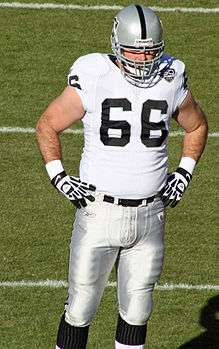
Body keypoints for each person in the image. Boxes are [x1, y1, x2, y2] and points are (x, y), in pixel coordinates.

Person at [36, 4, 208, 349]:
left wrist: (184, 173)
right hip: (98, 211)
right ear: (116, 44)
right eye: (134, 51)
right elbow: (48, 123)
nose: (143, 61)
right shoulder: (93, 72)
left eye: (150, 53)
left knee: (138, 309)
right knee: (80, 307)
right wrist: (59, 175)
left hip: (151, 214)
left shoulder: (171, 75)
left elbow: (197, 125)